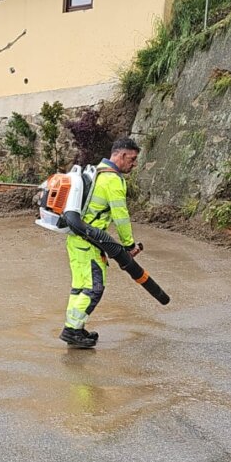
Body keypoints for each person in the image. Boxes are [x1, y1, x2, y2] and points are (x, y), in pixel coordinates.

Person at [60, 136, 142, 349]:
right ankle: (72, 331)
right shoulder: (112, 180)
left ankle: (75, 327)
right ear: (121, 155)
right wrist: (128, 245)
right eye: (132, 159)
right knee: (93, 288)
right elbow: (120, 215)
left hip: (76, 241)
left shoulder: (95, 171)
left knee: (80, 287)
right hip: (89, 244)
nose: (133, 164)